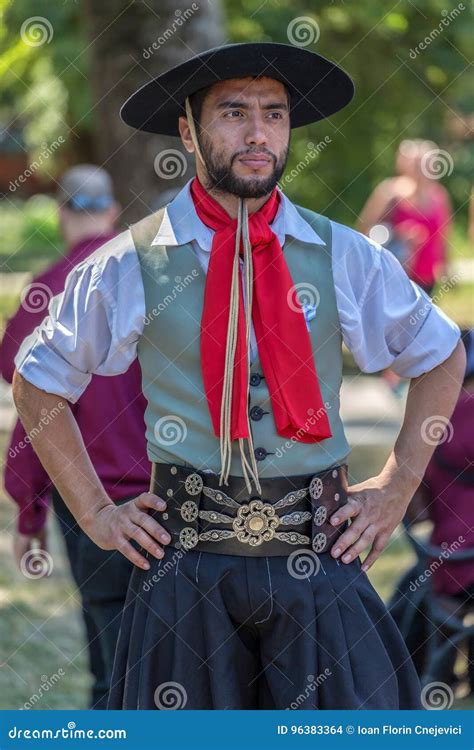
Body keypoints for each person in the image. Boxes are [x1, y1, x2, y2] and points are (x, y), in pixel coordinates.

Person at [11, 43, 466, 710]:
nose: (258, 134)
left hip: (318, 558)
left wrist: (397, 487)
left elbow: (440, 353)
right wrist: (97, 513)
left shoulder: (340, 252)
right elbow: (37, 380)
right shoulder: (132, 262)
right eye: (233, 113)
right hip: (184, 570)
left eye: (274, 115)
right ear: (188, 131)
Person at [1, 165, 150, 708]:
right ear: (113, 211)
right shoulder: (156, 273)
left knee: (111, 668)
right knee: (179, 667)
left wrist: (28, 512)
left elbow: (36, 408)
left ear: (63, 214)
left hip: (88, 501)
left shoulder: (48, 287)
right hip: (175, 497)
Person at [358, 138, 453, 296]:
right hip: (394, 276)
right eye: (420, 165)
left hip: (428, 278)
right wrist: (397, 234)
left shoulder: (440, 196)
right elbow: (363, 231)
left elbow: (444, 236)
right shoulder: (390, 193)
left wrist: (446, 266)